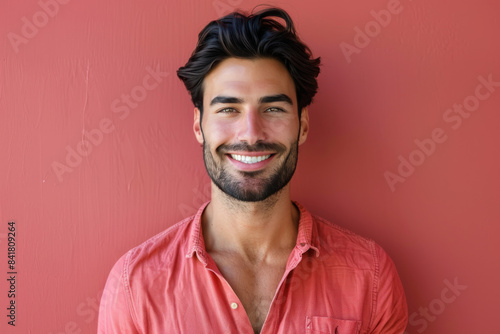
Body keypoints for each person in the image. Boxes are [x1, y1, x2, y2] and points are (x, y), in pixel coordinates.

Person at [98, 6, 408, 334]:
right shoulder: (135, 285)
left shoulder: (370, 276)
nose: (250, 133)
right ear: (199, 126)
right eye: (228, 109)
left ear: (302, 125)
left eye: (273, 108)